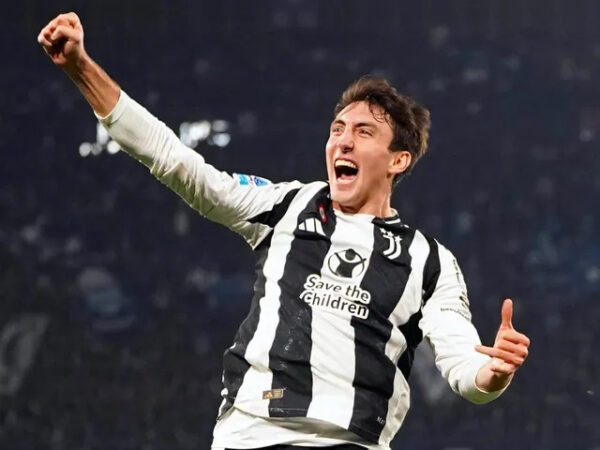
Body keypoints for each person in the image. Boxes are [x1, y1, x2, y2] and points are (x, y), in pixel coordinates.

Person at [38, 12, 531, 450]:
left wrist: (494, 372)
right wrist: (81, 68)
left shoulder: (429, 261)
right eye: (337, 129)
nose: (343, 141)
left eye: (363, 132)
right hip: (251, 435)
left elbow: (465, 367)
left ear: (398, 160)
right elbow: (178, 163)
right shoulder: (288, 205)